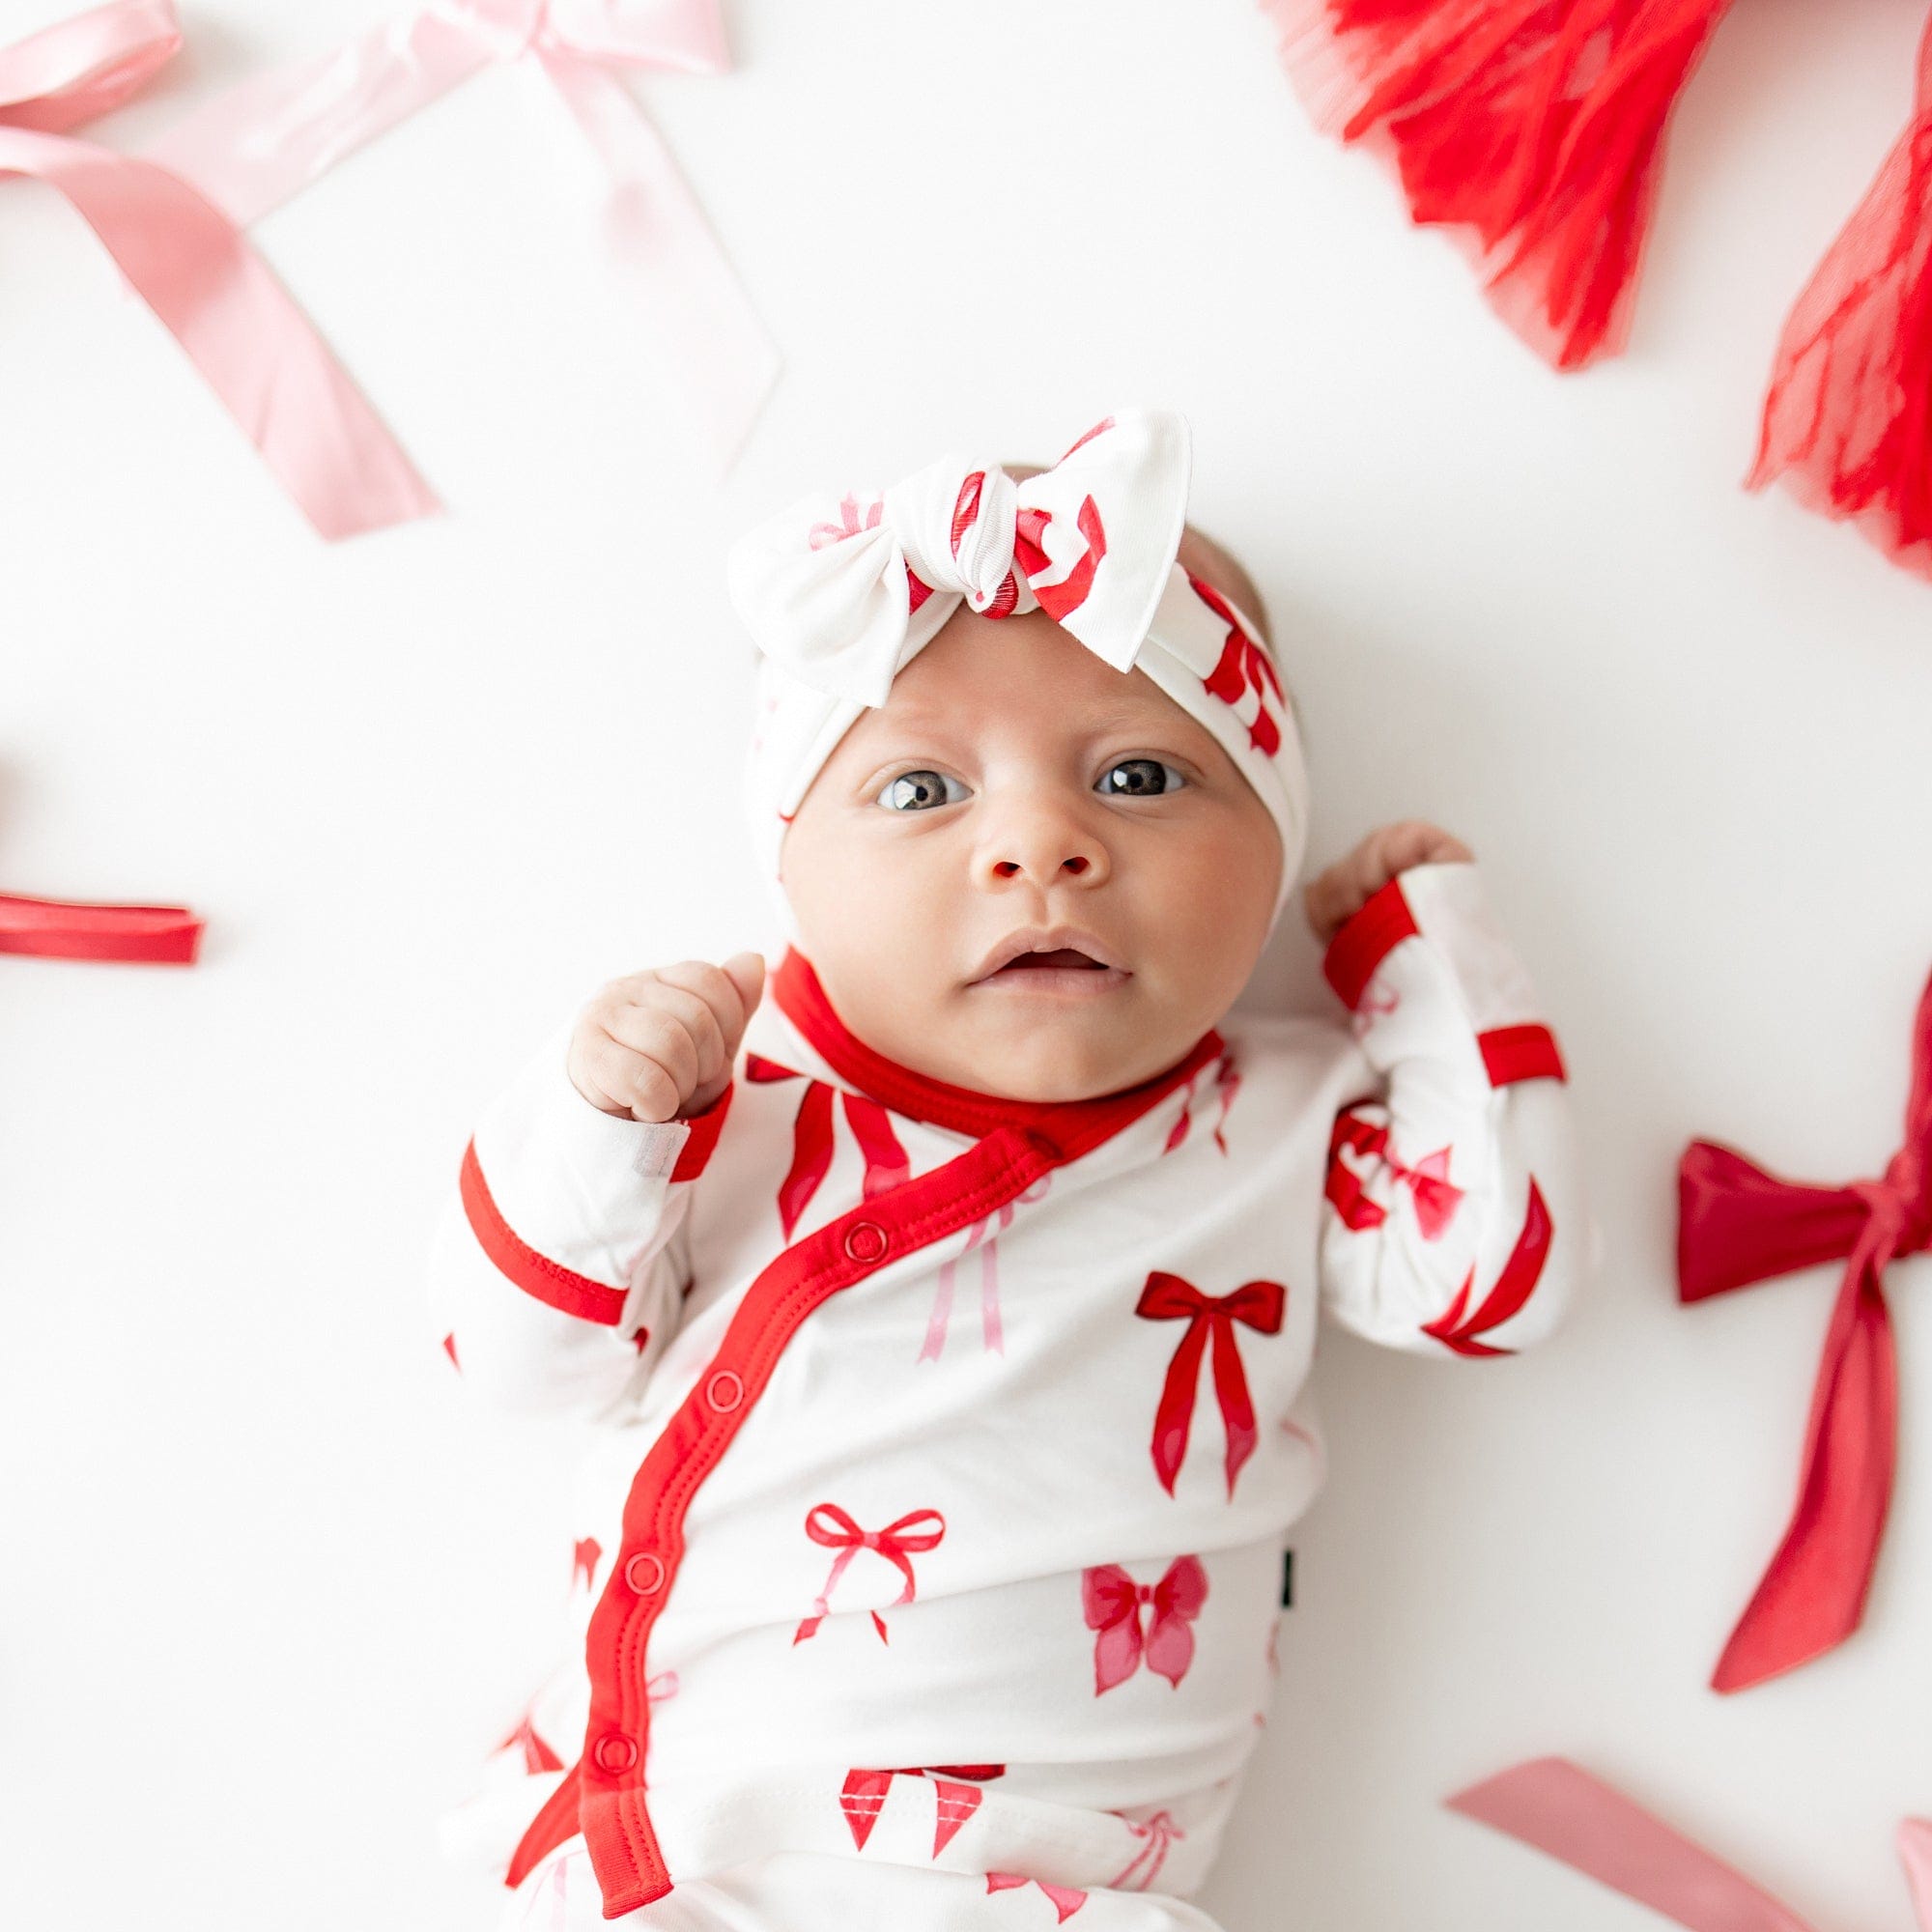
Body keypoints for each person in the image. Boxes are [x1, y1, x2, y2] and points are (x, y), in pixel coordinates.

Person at [427, 409, 1586, 1929]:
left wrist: (1425, 966)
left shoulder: (1285, 1117)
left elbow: (1495, 1276)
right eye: (923, 792)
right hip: (678, 1841)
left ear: (1275, 828)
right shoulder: (737, 1097)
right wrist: (603, 1124)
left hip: (1064, 1884)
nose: (1041, 845)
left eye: (1145, 779)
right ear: (788, 864)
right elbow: (522, 1362)